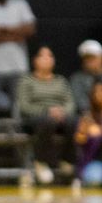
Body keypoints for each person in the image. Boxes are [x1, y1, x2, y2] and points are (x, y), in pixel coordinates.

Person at [15, 46, 76, 184]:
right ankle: (41, 161)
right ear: (35, 60)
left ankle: (67, 160)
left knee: (74, 121)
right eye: (43, 56)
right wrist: (48, 110)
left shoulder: (60, 81)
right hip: (35, 118)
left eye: (50, 56)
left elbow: (70, 102)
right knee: (48, 121)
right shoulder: (26, 81)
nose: (47, 59)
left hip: (60, 116)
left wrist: (62, 111)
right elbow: (24, 106)